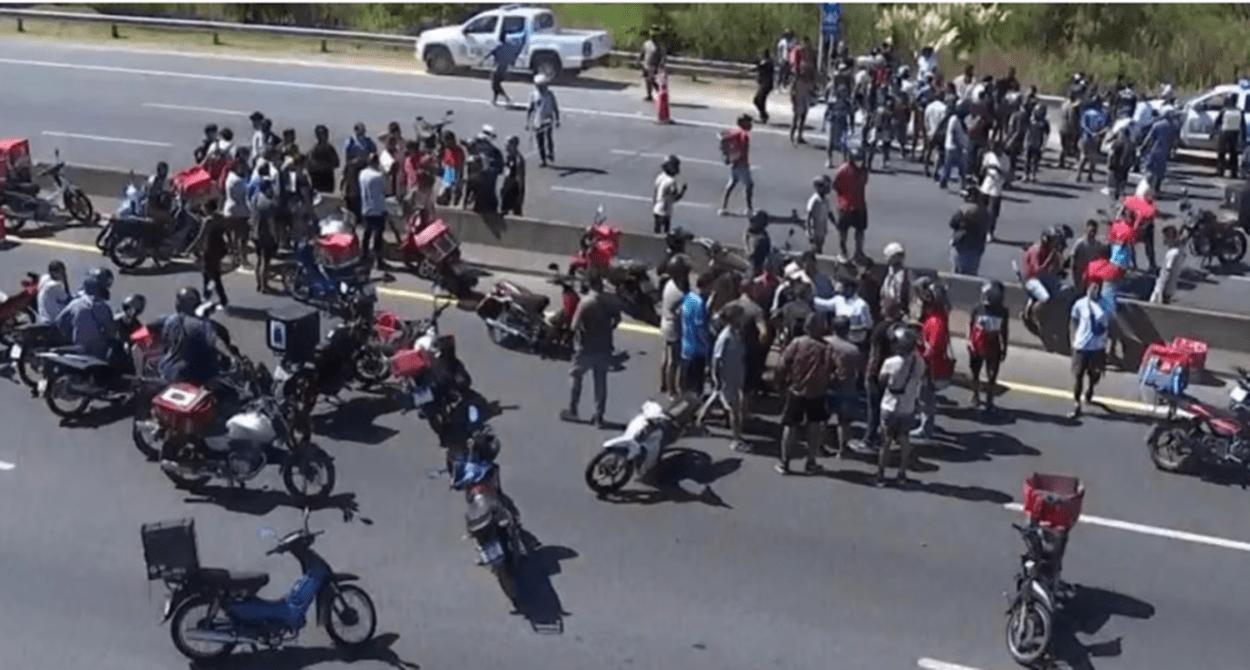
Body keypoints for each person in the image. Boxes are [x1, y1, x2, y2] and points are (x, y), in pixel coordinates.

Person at [776, 313, 837, 475]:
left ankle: (785, 462)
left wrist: (780, 381)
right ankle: (811, 462)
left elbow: (782, 363)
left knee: (790, 426)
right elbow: (836, 369)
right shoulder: (826, 347)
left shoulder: (797, 343)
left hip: (796, 389)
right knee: (814, 427)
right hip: (817, 392)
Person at [561, 276, 620, 427]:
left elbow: (574, 326)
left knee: (576, 375)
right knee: (600, 381)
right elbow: (617, 319)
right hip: (604, 346)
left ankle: (573, 409)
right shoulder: (610, 301)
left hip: (586, 347)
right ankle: (598, 416)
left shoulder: (586, 303)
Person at [876, 324, 925, 486]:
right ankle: (901, 473)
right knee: (905, 440)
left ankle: (881, 474)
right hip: (908, 406)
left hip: (890, 405)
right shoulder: (919, 363)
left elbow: (881, 380)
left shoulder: (890, 362)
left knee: (886, 441)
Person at [857, 299, 906, 451]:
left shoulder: (880, 329)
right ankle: (892, 438)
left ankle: (869, 439)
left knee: (874, 409)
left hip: (877, 373)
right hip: (894, 373)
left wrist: (869, 373)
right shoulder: (900, 328)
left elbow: (875, 354)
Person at [700, 302, 748, 452]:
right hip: (727, 377)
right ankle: (736, 440)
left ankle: (699, 421)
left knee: (716, 397)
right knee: (734, 410)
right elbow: (716, 358)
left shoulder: (736, 333)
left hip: (734, 376)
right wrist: (716, 377)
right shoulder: (725, 336)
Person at [911, 277, 952, 440]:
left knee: (926, 398)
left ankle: (926, 427)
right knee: (923, 397)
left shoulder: (936, 321)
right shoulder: (933, 318)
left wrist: (920, 360)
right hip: (928, 365)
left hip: (930, 367)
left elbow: (933, 348)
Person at [55, 267, 116, 362]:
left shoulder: (75, 303)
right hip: (97, 352)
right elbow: (110, 331)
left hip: (78, 348)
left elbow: (60, 322)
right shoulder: (103, 307)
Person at [1069, 280, 1110, 419]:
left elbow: (1109, 324)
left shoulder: (1105, 304)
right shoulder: (1080, 304)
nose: (1094, 290)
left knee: (1094, 374)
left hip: (1097, 347)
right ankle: (1076, 403)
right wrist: (1074, 337)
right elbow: (1074, 319)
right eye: (1092, 287)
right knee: (1078, 375)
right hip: (1081, 346)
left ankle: (1090, 390)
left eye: (1096, 288)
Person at [968, 279, 1009, 411]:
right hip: (977, 344)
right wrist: (969, 342)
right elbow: (970, 326)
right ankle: (975, 395)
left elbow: (1004, 330)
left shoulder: (1002, 311)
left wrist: (1004, 347)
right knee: (975, 372)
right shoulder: (977, 308)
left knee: (992, 374)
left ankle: (989, 398)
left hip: (993, 344)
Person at [824, 315, 861, 459]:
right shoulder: (853, 349)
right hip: (846, 388)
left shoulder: (825, 342)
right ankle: (842, 449)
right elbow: (859, 368)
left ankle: (821, 445)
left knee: (822, 419)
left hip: (826, 385)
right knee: (843, 422)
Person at [1021, 226, 1066, 333]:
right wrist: (1051, 257)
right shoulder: (1037, 250)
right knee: (1046, 298)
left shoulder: (1048, 250)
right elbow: (1038, 270)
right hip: (1031, 279)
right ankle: (1030, 316)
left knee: (1062, 292)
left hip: (1042, 278)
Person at [658, 254, 691, 396]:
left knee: (665, 356)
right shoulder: (679, 293)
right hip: (673, 328)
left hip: (665, 323)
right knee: (674, 361)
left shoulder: (669, 284)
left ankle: (664, 384)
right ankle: (672, 390)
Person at [814, 275, 872, 347]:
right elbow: (822, 305)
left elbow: (868, 325)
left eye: (841, 289)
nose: (838, 291)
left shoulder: (861, 304)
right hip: (838, 339)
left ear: (850, 288)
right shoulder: (839, 300)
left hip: (855, 341)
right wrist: (809, 297)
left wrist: (851, 328)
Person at [832, 146, 869, 261]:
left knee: (860, 230)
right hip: (845, 206)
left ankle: (859, 252)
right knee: (843, 231)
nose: (860, 162)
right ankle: (842, 252)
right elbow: (836, 185)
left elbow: (865, 182)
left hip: (859, 204)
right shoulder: (842, 170)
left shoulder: (864, 170)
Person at [679, 273, 714, 396]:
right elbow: (700, 328)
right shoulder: (700, 303)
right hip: (697, 349)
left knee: (686, 382)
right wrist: (707, 344)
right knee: (696, 384)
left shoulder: (688, 297)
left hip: (686, 345)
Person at [718, 114, 755, 216]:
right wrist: (737, 157)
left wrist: (726, 155)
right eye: (749, 122)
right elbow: (744, 149)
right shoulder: (744, 135)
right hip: (742, 164)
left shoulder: (732, 131)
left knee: (731, 184)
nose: (751, 125)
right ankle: (749, 208)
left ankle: (723, 207)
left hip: (735, 164)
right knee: (749, 186)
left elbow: (721, 138)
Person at [249, 171, 279, 293]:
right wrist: (275, 236)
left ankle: (258, 283)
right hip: (265, 235)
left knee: (259, 260)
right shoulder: (269, 203)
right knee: (265, 262)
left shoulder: (255, 198)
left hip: (255, 233)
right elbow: (271, 223)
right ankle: (264, 285)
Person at [358, 152, 389, 271]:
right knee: (378, 237)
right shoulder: (379, 176)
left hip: (365, 208)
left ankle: (364, 256)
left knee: (366, 234)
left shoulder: (362, 174)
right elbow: (387, 191)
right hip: (378, 209)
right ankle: (378, 261)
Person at [949, 187, 989, 275]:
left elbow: (952, 222)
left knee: (957, 270)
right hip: (977, 245)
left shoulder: (964, 209)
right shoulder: (984, 211)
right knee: (972, 272)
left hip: (962, 242)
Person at [342, 123, 376, 222]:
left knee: (366, 192)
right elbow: (347, 157)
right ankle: (355, 215)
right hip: (353, 171)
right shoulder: (351, 141)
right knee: (354, 193)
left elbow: (373, 153)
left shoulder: (368, 141)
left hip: (365, 170)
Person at [200, 200, 230, 308]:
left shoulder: (208, 221)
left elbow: (201, 236)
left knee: (209, 274)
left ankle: (211, 297)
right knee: (212, 273)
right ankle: (212, 296)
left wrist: (190, 249)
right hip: (219, 248)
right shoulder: (221, 218)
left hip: (209, 249)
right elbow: (227, 233)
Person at [526, 74, 560, 167]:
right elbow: (530, 109)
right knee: (540, 141)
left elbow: (555, 107)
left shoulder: (550, 94)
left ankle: (550, 152)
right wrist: (528, 122)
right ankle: (543, 159)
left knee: (548, 137)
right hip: (538, 120)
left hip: (548, 118)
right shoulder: (534, 95)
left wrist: (557, 119)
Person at [1141, 110, 1177, 195]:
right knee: (1160, 172)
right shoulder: (1172, 127)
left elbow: (1149, 138)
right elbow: (1175, 141)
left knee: (1150, 169)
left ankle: (1147, 188)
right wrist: (1173, 150)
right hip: (1164, 153)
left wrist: (1143, 147)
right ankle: (1157, 190)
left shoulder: (1157, 125)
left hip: (1154, 150)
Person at [1150, 225, 1186, 304]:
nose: (1163, 239)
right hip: (1170, 288)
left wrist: (1160, 291)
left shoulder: (1172, 253)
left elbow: (1167, 273)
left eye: (1164, 236)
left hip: (1163, 289)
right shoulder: (1179, 250)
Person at [1075, 98, 1108, 183]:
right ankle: (1090, 176)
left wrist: (1089, 132)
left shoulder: (1086, 112)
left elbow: (1082, 124)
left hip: (1085, 136)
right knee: (1093, 157)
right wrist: (1098, 133)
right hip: (1096, 138)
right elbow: (1105, 126)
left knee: (1083, 156)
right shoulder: (1103, 114)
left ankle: (1078, 174)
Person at [939, 101, 970, 190]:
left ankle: (962, 184)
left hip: (959, 146)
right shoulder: (954, 119)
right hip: (952, 146)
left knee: (962, 167)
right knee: (948, 165)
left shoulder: (961, 121)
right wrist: (958, 143)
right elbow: (953, 132)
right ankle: (943, 180)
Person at [652, 155, 687, 234]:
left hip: (657, 208)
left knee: (656, 232)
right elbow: (675, 198)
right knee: (665, 233)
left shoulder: (660, 177)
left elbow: (656, 192)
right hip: (665, 211)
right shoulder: (671, 182)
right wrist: (683, 191)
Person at [1068, 219, 1105, 291]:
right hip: (1079, 274)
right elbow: (1073, 257)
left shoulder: (1097, 244)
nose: (1092, 233)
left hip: (1090, 274)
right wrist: (1072, 272)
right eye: (1091, 231)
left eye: (1094, 231)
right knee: (1078, 292)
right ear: (1086, 230)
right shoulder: (1080, 243)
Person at [1215, 95, 1246, 179]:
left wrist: (1216, 132)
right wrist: (1243, 137)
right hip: (1234, 133)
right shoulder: (1239, 111)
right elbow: (1243, 125)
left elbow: (1217, 122)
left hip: (1225, 132)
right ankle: (1232, 172)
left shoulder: (1224, 110)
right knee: (1232, 154)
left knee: (1223, 153)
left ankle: (1221, 171)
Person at [981, 140, 1006, 241]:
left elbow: (1007, 175)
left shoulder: (1005, 159)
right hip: (986, 186)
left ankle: (990, 232)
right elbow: (982, 169)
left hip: (996, 189)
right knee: (982, 210)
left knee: (992, 213)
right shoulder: (989, 156)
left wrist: (998, 170)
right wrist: (986, 168)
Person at [306, 124, 340, 195]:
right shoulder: (314, 149)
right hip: (317, 180)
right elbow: (309, 164)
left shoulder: (330, 148)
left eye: (324, 134)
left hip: (327, 179)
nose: (323, 136)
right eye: (320, 134)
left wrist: (325, 166)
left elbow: (336, 163)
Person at [1106, 127, 1134, 206]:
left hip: (1116, 163)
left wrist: (1109, 164)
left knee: (1116, 179)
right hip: (1126, 164)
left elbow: (1112, 154)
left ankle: (1117, 192)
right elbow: (1133, 155)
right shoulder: (1131, 143)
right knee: (1123, 179)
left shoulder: (1117, 143)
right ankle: (1121, 192)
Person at [805, 174, 834, 254]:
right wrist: (809, 232)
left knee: (820, 248)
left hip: (822, 230)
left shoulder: (825, 201)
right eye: (826, 186)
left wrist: (835, 222)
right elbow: (808, 216)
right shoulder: (814, 200)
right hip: (814, 230)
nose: (828, 189)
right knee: (814, 249)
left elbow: (828, 213)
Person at [36, 260, 70, 324]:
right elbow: (67, 301)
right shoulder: (56, 286)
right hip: (53, 322)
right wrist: (65, 280)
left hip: (43, 319)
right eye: (61, 272)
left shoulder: (44, 280)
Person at [1023, 104, 1050, 182]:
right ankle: (1025, 175)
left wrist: (1044, 145)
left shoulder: (1044, 122)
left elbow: (1046, 135)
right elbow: (1025, 131)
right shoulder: (1029, 119)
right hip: (1028, 141)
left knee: (1035, 160)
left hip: (1038, 143)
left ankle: (1033, 175)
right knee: (1027, 160)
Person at [500, 136, 526, 216]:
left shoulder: (518, 159)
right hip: (507, 186)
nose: (505, 146)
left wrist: (520, 195)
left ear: (513, 145)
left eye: (507, 144)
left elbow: (520, 177)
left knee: (516, 212)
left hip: (514, 188)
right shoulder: (508, 157)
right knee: (504, 211)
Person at [879, 242, 909, 309]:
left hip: (895, 310)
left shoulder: (902, 275)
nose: (886, 259)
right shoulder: (889, 271)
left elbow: (896, 295)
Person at [639, 27, 666, 102]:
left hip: (654, 65)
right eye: (652, 36)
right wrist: (638, 60)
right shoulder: (646, 43)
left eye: (655, 36)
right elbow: (642, 53)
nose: (653, 37)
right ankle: (649, 95)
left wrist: (661, 63)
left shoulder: (660, 45)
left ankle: (659, 92)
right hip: (646, 65)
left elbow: (663, 55)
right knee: (647, 81)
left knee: (651, 80)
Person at [753, 49, 774, 124]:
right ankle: (763, 115)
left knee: (758, 100)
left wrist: (757, 67)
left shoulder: (767, 62)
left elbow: (762, 66)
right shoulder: (766, 62)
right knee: (758, 100)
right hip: (764, 84)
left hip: (766, 84)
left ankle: (764, 116)